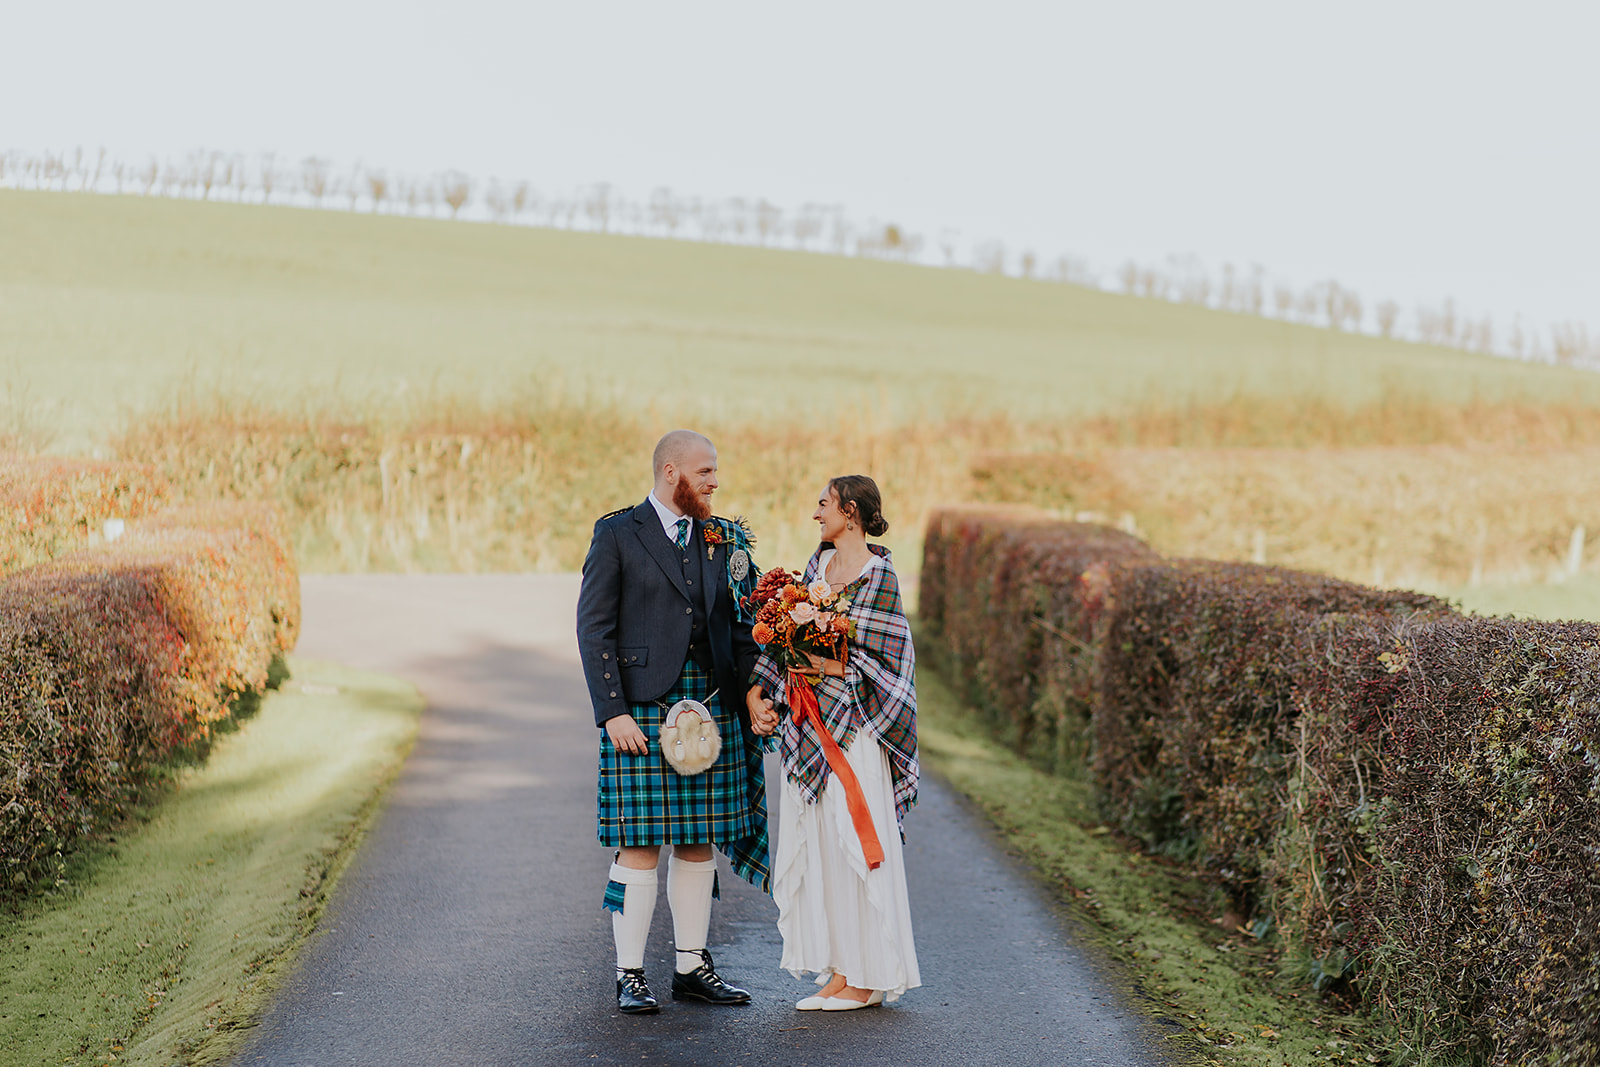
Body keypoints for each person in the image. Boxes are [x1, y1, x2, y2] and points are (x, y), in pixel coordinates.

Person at [577, 429, 782, 1014]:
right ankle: (630, 974)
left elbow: (744, 626)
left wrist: (751, 696)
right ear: (672, 472)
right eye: (707, 471)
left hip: (712, 701)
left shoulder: (724, 537)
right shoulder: (618, 533)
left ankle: (692, 967)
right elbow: (595, 629)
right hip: (641, 705)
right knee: (637, 844)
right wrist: (612, 710)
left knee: (697, 841)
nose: (716, 482)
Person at [749, 474, 921, 1010]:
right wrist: (763, 690)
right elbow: (787, 644)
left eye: (823, 504)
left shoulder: (880, 574)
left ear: (849, 510)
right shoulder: (816, 568)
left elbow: (887, 660)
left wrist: (827, 664)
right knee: (821, 843)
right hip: (810, 728)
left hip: (857, 733)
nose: (815, 513)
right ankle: (841, 969)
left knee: (853, 844)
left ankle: (870, 975)